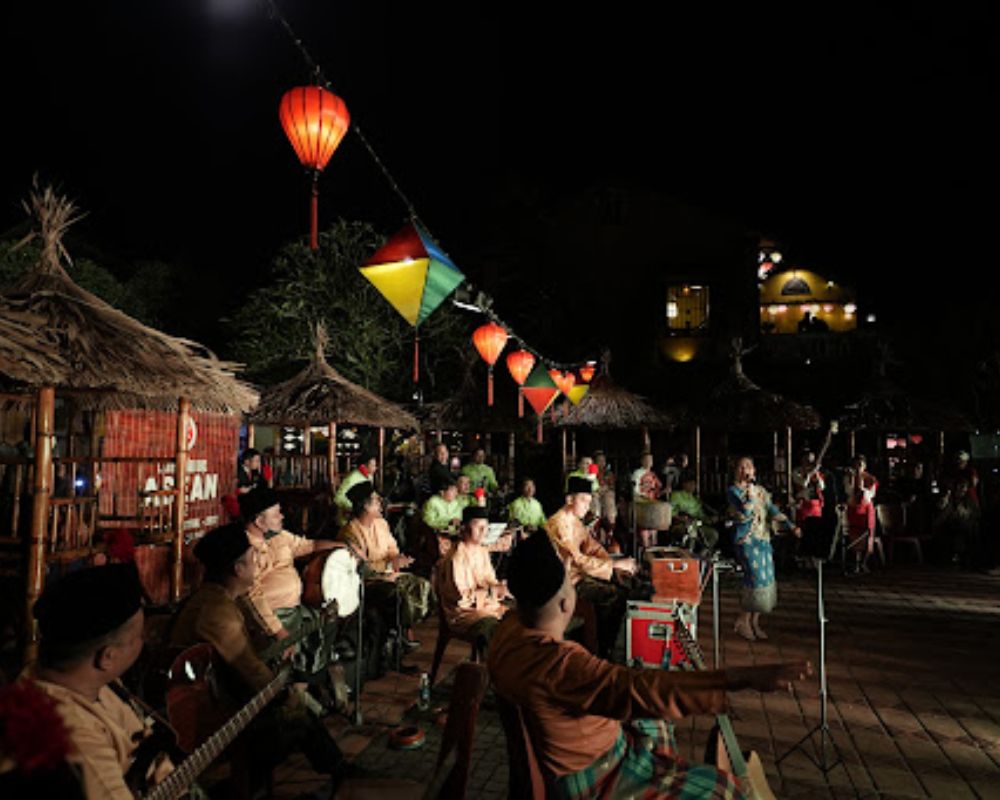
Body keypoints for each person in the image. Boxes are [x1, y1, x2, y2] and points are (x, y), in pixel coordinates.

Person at [489, 532, 810, 800]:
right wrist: (740, 678)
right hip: (601, 774)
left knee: (655, 722)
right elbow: (634, 688)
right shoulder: (559, 666)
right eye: (570, 584)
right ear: (565, 603)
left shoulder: (508, 632)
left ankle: (671, 771)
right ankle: (671, 777)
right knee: (725, 790)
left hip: (575, 751)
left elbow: (614, 686)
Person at [170, 523, 350, 789]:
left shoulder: (219, 598)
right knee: (296, 718)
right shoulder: (217, 612)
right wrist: (285, 694)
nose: (258, 562)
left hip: (220, 703)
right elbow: (252, 673)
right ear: (237, 569)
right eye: (253, 558)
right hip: (209, 721)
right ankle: (335, 774)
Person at [28, 564, 172, 799]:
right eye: (139, 637)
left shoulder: (94, 684)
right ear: (108, 657)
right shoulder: (76, 740)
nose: (143, 642)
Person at [238, 488, 341, 677]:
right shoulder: (244, 550)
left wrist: (342, 546)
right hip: (273, 616)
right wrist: (278, 631)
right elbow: (251, 596)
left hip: (295, 609)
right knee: (293, 658)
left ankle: (312, 681)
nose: (282, 516)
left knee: (329, 619)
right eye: (276, 514)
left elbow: (308, 545)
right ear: (260, 521)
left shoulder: (279, 536)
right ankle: (296, 693)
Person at [338, 481, 434, 651]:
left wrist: (397, 558)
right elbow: (363, 567)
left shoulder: (381, 524)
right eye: (376, 501)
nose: (380, 504)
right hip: (368, 580)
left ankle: (401, 633)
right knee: (400, 596)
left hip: (389, 573)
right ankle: (396, 639)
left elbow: (392, 548)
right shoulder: (350, 532)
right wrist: (389, 564)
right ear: (366, 507)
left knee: (423, 586)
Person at [547, 476, 636, 657]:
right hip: (565, 582)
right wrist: (614, 565)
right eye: (584, 501)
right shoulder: (559, 523)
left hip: (580, 575)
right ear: (570, 499)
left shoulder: (575, 520)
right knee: (613, 596)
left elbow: (592, 546)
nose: (588, 506)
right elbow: (578, 559)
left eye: (589, 501)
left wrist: (614, 566)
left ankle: (604, 645)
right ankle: (599, 651)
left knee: (625, 588)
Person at [728, 457, 799, 641]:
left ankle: (754, 621)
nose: (746, 470)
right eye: (742, 467)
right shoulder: (734, 491)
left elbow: (772, 509)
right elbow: (746, 512)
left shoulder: (761, 491)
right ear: (737, 471)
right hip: (746, 540)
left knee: (766, 579)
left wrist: (791, 525)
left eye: (749, 466)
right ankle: (742, 620)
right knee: (754, 578)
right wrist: (750, 496)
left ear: (754, 470)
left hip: (763, 539)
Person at [434, 505, 510, 648]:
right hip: (463, 614)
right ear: (464, 528)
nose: (483, 532)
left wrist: (500, 588)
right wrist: (491, 592)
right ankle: (489, 668)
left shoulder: (482, 551)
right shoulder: (456, 557)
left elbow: (490, 581)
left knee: (519, 623)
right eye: (478, 527)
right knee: (495, 630)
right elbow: (460, 598)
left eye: (486, 527)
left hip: (488, 607)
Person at [843, 454, 879, 572]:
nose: (858, 467)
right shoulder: (848, 477)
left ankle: (864, 562)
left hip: (866, 508)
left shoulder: (871, 478)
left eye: (861, 465)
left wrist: (862, 488)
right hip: (854, 508)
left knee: (867, 533)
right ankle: (856, 563)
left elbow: (870, 494)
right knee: (854, 534)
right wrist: (853, 479)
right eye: (856, 465)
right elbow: (849, 492)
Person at [668, 471, 719, 554]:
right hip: (680, 525)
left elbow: (701, 516)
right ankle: (688, 555)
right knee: (691, 532)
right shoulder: (676, 495)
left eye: (694, 484)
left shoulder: (696, 500)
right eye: (690, 483)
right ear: (684, 484)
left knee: (713, 534)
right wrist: (680, 518)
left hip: (696, 525)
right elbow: (670, 512)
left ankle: (701, 556)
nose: (693, 486)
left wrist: (710, 519)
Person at [632, 451, 665, 549]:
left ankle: (653, 549)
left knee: (654, 529)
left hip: (653, 504)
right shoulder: (637, 473)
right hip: (642, 504)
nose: (649, 462)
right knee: (644, 530)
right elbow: (635, 491)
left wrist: (664, 491)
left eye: (651, 460)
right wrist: (642, 497)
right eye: (646, 460)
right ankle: (645, 550)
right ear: (642, 461)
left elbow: (657, 490)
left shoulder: (653, 474)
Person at [334, 453, 377, 525]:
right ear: (363, 466)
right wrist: (353, 508)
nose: (375, 468)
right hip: (348, 519)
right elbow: (337, 498)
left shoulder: (369, 476)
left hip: (362, 518)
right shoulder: (352, 478)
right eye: (373, 465)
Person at [791, 448, 826, 526]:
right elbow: (803, 484)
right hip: (803, 504)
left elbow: (822, 487)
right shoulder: (797, 471)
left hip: (815, 505)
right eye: (808, 459)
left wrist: (816, 473)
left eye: (812, 460)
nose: (810, 462)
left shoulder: (816, 472)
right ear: (802, 459)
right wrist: (810, 473)